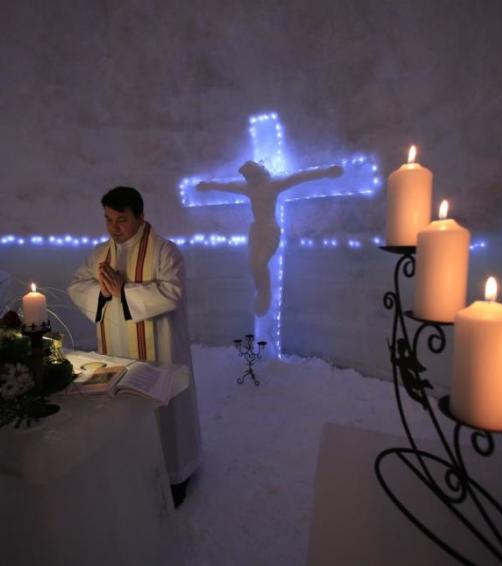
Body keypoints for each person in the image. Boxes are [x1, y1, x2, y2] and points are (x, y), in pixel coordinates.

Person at [68, 186, 202, 507]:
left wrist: (123, 292)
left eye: (122, 219)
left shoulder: (165, 252)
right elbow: (76, 285)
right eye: (108, 219)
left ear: (141, 217)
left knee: (165, 411)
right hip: (117, 349)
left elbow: (172, 293)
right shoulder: (100, 254)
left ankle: (175, 477)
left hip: (160, 349)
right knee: (123, 411)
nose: (114, 227)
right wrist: (102, 293)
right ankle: (130, 471)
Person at [197, 161, 343, 315]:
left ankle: (265, 295)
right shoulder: (247, 188)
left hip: (269, 230)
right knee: (253, 265)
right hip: (256, 231)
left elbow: (299, 177)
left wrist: (326, 171)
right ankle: (262, 294)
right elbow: (228, 186)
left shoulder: (273, 185)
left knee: (259, 265)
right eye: (246, 177)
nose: (248, 180)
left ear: (258, 174)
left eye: (250, 176)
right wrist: (208, 185)